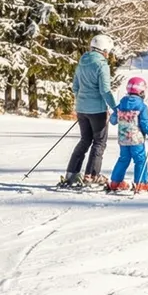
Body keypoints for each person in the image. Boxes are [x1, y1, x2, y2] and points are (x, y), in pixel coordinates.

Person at [61, 34, 117, 189]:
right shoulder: (102, 65)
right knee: (99, 142)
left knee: (85, 140)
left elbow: (75, 87)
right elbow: (105, 90)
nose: (108, 54)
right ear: (104, 50)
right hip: (97, 110)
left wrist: (83, 102)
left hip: (82, 109)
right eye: (108, 51)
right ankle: (91, 176)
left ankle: (71, 173)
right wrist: (115, 108)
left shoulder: (82, 62)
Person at [107, 76, 148, 193]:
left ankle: (115, 182)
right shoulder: (142, 106)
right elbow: (144, 123)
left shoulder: (121, 105)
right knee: (140, 160)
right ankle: (141, 183)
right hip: (136, 139)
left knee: (123, 159)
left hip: (123, 138)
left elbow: (113, 120)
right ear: (141, 92)